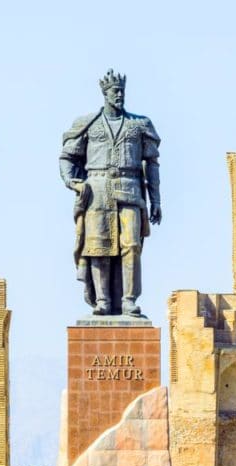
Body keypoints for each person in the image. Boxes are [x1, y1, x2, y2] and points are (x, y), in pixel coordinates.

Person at [60, 70, 161, 317]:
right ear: (105, 94)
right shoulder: (89, 124)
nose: (119, 95)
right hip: (97, 190)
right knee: (98, 247)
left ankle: (128, 299)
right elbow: (67, 157)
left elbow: (152, 163)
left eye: (121, 91)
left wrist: (156, 199)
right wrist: (72, 182)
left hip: (130, 188)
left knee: (132, 245)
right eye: (115, 91)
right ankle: (103, 299)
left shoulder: (139, 125)